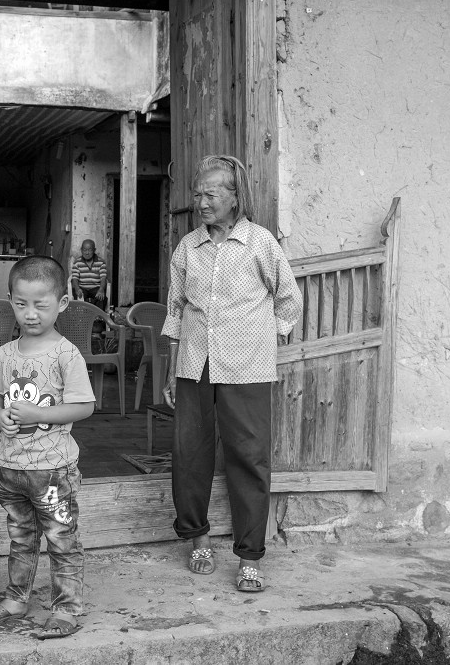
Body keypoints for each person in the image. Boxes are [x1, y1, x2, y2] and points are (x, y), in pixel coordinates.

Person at [161, 155, 302, 592]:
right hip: (194, 363)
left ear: (235, 196)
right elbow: (175, 311)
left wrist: (265, 335)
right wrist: (171, 371)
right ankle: (198, 537)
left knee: (249, 459)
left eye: (211, 194)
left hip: (247, 367)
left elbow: (288, 300)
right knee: (190, 455)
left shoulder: (260, 243)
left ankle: (250, 556)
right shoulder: (188, 247)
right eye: (197, 194)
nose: (201, 202)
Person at [0, 255, 96, 639]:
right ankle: (16, 599)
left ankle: (67, 608)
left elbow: (85, 406)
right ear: (10, 300)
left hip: (53, 468)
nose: (30, 314)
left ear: (61, 303)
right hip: (11, 467)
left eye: (40, 305)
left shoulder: (65, 354)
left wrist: (33, 413)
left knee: (61, 538)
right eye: (20, 303)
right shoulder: (6, 353)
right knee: (21, 538)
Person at [70, 239, 108, 310]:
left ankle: (98, 319)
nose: (87, 253)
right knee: (79, 296)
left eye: (90, 250)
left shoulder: (101, 262)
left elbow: (103, 278)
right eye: (84, 250)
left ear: (94, 250)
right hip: (82, 288)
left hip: (96, 288)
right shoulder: (77, 263)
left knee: (101, 297)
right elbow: (75, 278)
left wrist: (101, 289)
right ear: (81, 250)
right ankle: (82, 318)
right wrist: (77, 289)